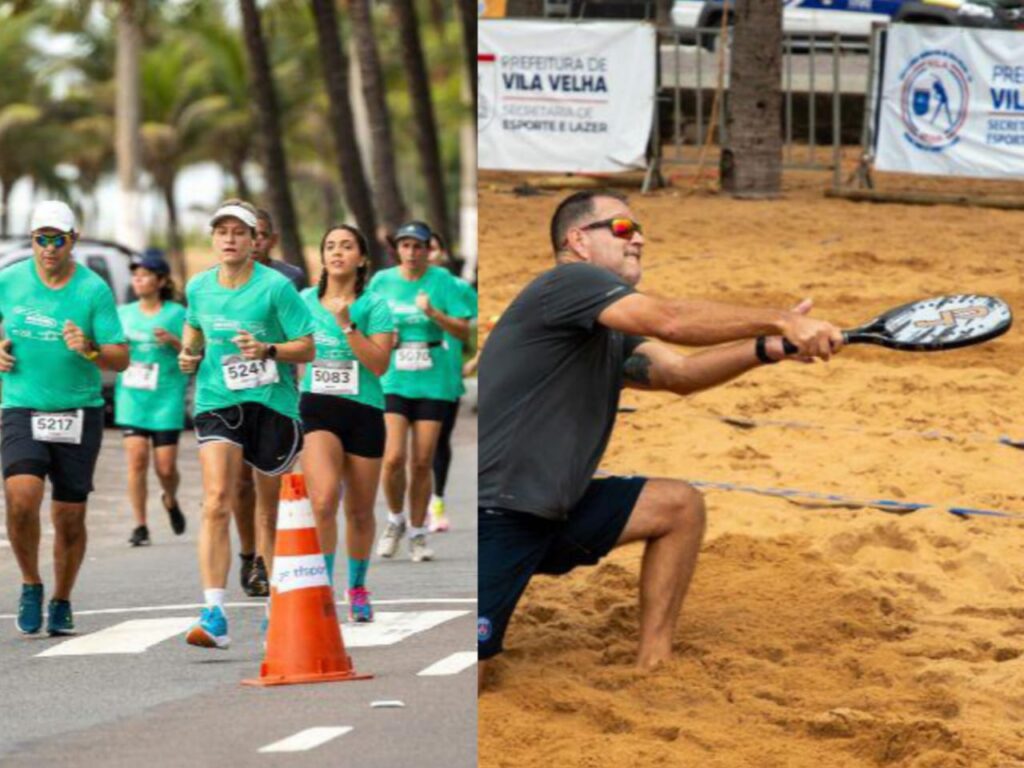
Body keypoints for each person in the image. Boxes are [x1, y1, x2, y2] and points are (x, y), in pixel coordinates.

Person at [477, 190, 844, 691]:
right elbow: (669, 319)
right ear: (578, 241)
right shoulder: (569, 282)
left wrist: (769, 349)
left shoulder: (601, 325)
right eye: (624, 229)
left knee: (678, 507)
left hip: (554, 511)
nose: (640, 239)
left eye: (640, 230)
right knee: (471, 675)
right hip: (499, 512)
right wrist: (782, 318)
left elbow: (680, 373)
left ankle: (655, 665)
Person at [178, 199, 315, 649]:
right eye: (222, 232)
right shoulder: (199, 286)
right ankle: (213, 612)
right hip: (218, 400)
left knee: (267, 508)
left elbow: (307, 346)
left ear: (255, 240)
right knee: (217, 497)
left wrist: (269, 350)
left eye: (239, 232)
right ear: (213, 239)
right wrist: (189, 353)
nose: (230, 239)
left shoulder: (277, 288)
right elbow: (194, 327)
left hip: (272, 403)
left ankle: (278, 601)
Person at [1, 200, 128, 636]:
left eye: (58, 239)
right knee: (21, 497)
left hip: (78, 411)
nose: (50, 248)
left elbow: (121, 358)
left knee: (69, 516)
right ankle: (31, 583)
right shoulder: (10, 280)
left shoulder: (93, 290)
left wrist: (90, 348)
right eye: (42, 239)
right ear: (32, 241)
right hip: (21, 405)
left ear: (73, 241)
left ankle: (62, 598)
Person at [299, 225, 394, 622]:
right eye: (330, 246)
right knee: (322, 500)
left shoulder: (375, 305)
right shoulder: (302, 301)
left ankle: (356, 586)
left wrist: (346, 325)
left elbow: (379, 363)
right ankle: (320, 588)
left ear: (362, 259)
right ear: (322, 257)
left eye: (347, 246)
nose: (337, 252)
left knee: (359, 510)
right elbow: (290, 346)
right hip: (317, 407)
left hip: (364, 411)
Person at [370, 222, 473, 562]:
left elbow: (463, 331)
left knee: (423, 461)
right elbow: (368, 322)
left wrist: (433, 313)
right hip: (394, 378)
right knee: (394, 458)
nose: (412, 253)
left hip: (435, 379)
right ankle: (394, 520)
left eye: (419, 246)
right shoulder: (382, 282)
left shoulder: (444, 282)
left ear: (430, 249)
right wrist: (383, 338)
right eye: (406, 246)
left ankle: (417, 532)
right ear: (396, 249)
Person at [233, 207, 306, 597]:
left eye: (260, 235)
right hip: (231, 393)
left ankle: (266, 559)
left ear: (270, 239)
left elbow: (302, 331)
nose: (255, 241)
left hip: (275, 388)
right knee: (238, 484)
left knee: (268, 481)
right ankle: (248, 553)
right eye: (249, 234)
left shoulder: (289, 278)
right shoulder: (218, 279)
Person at [115, 251, 188, 546]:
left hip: (166, 399)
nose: (138, 280)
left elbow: (194, 351)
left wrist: (173, 342)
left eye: (145, 275)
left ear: (160, 280)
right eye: (135, 275)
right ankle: (140, 524)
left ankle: (169, 498)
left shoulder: (177, 313)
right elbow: (112, 348)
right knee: (136, 461)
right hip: (132, 397)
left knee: (166, 467)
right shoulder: (123, 314)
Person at [426, 233, 478, 532]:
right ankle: (414, 505)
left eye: (432, 249)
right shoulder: (398, 287)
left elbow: (481, 324)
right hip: (406, 380)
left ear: (443, 253)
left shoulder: (458, 288)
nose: (427, 255)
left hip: (445, 375)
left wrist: (476, 359)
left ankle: (438, 500)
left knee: (438, 441)